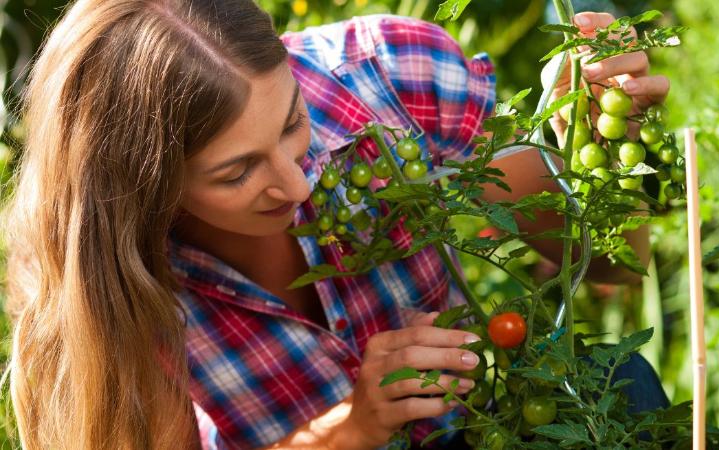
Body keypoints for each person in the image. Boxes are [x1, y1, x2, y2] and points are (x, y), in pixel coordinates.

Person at [1, 0, 670, 448]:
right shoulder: (94, 277)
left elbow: (609, 266)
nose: (297, 182)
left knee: (621, 381)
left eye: (293, 121)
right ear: (142, 184)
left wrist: (602, 141)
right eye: (235, 173)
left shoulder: (386, 78)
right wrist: (351, 428)